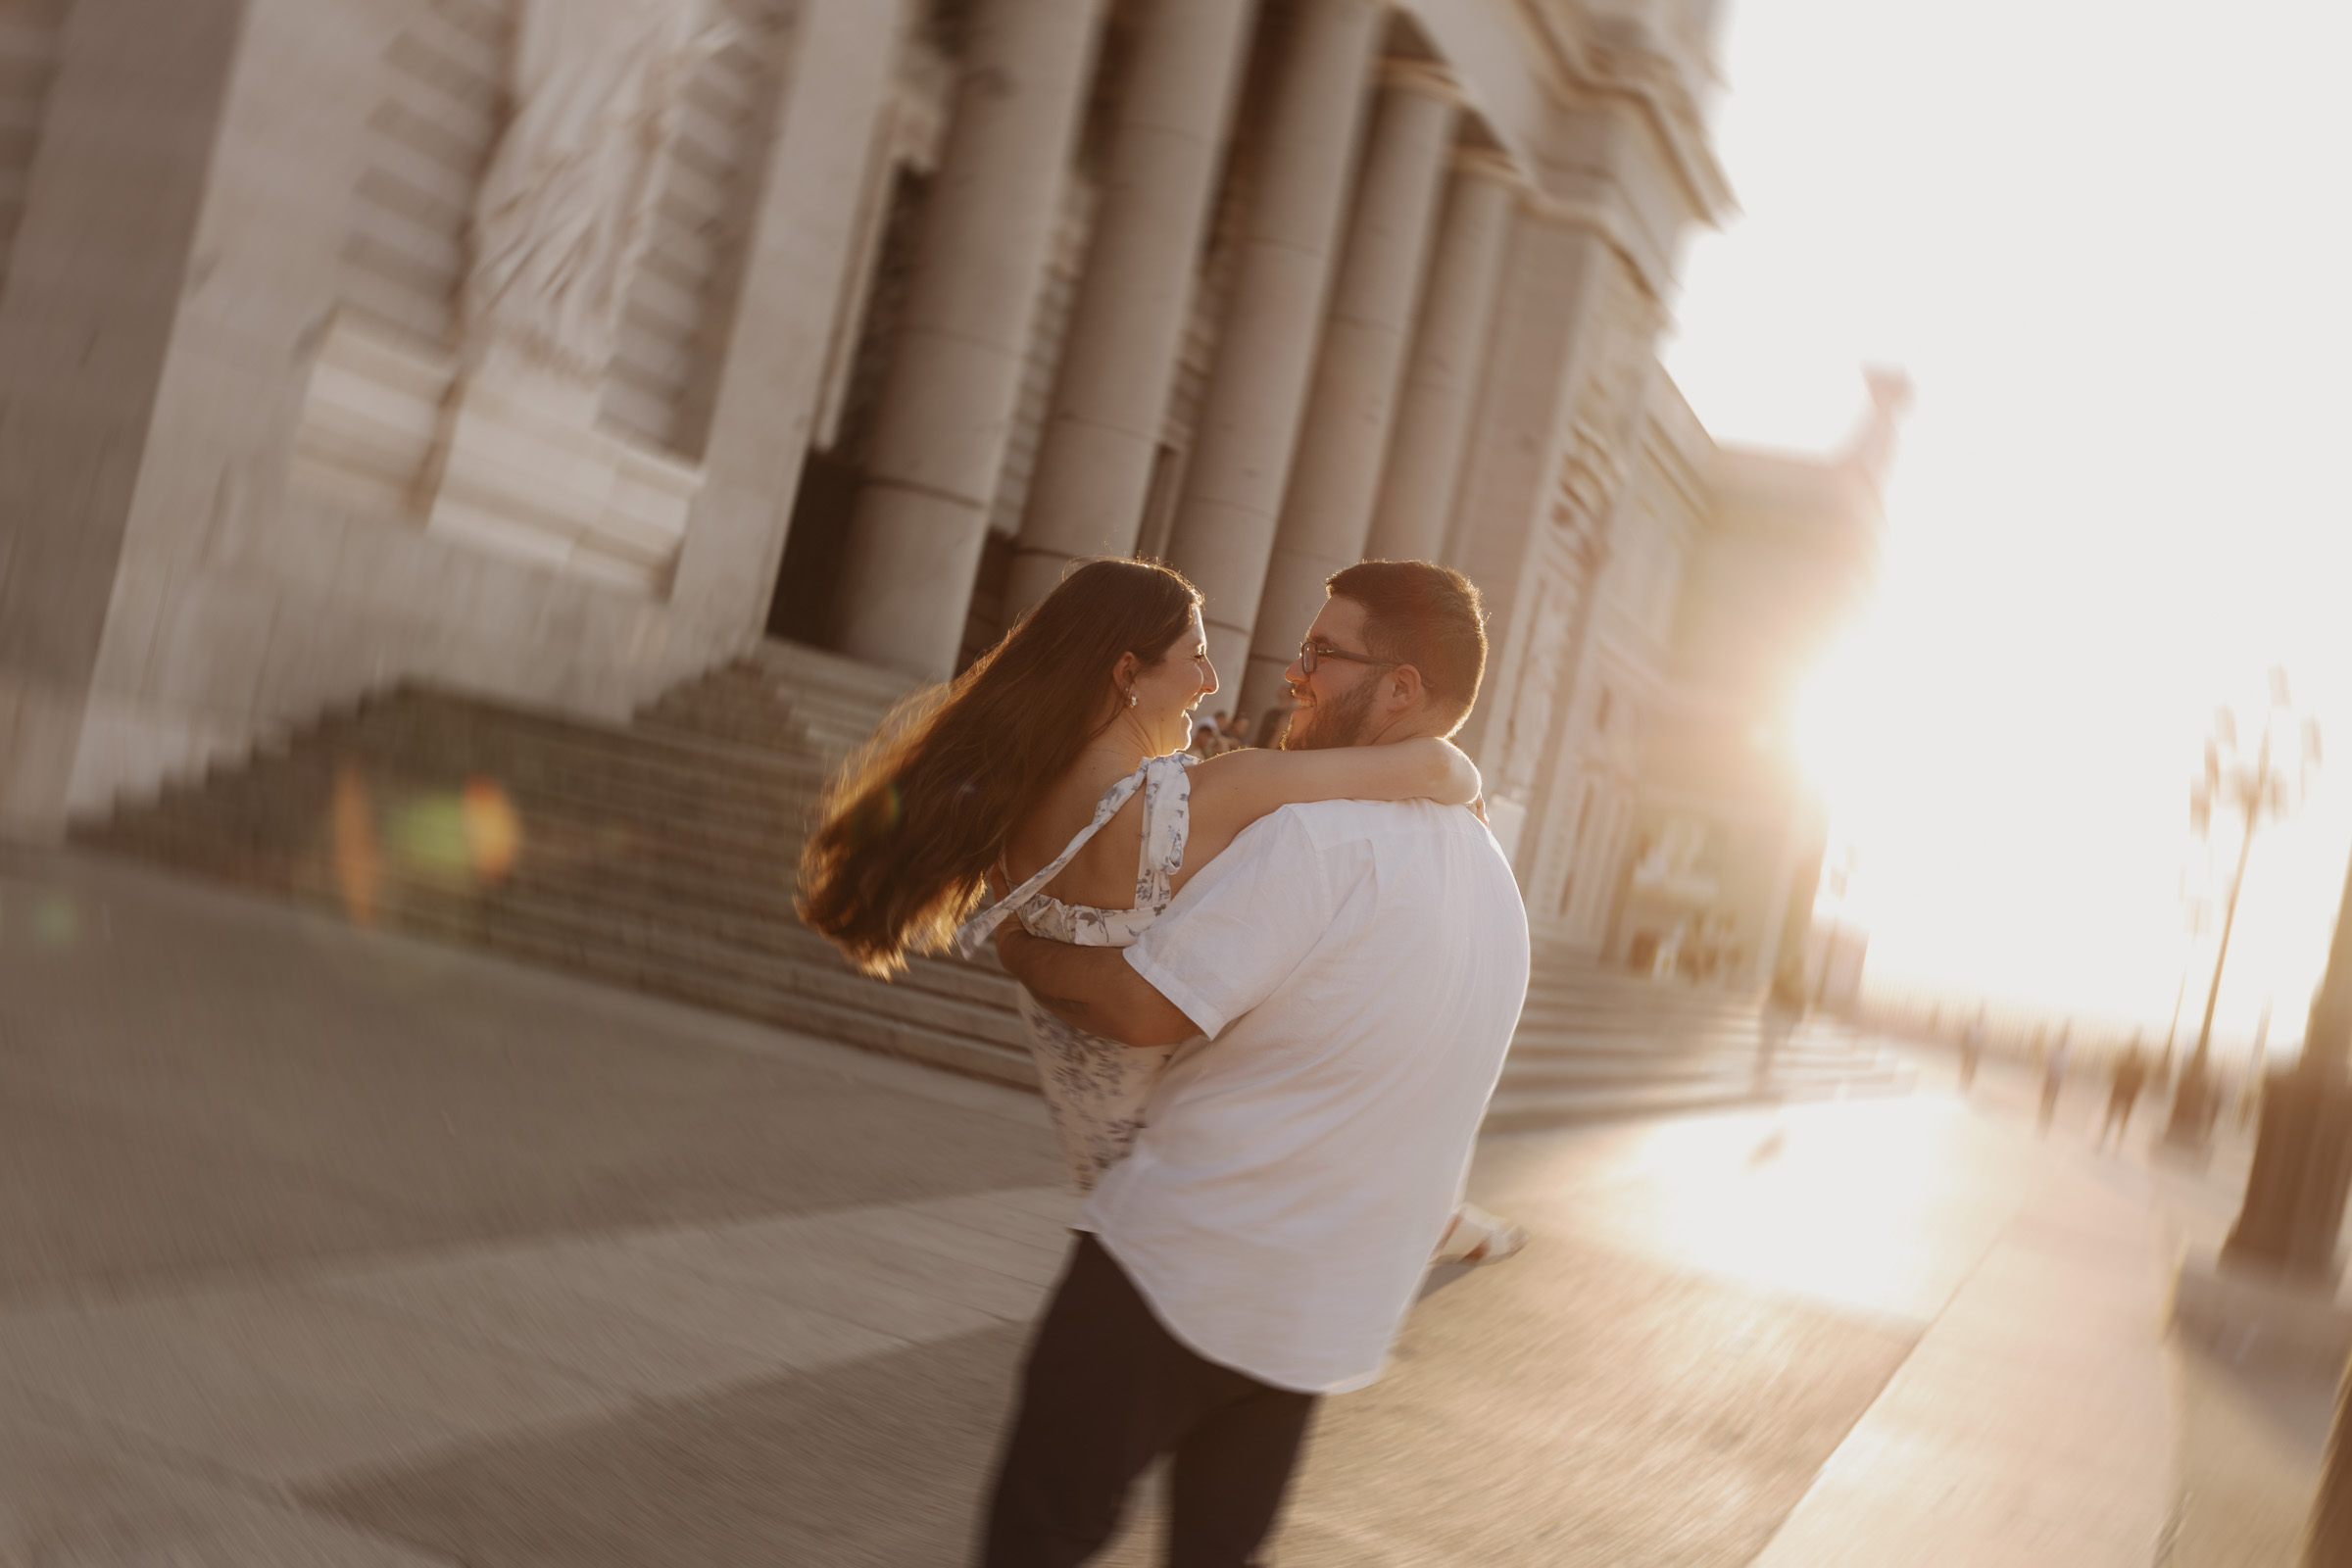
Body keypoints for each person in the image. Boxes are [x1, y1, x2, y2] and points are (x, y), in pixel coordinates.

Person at [975, 561, 1531, 1566]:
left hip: (1179, 1266)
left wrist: (1016, 940)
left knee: (1036, 1536)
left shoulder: (1314, 839)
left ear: (1400, 688)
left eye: (1322, 653)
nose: (1293, 674)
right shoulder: (1496, 884)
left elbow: (1139, 1007)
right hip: (1317, 1317)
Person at [799, 558, 1521, 1253]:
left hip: (1113, 1182)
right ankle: (1430, 1212)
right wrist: (1464, 779)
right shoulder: (1197, 801)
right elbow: (1433, 765)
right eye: (1196, 656)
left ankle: (1432, 1212)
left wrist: (1021, 950)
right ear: (1126, 673)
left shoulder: (1009, 820)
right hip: (1207, 1196)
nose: (1211, 681)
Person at [2099, 1037, 2149, 1147]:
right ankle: (2114, 1141)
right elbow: (2140, 1083)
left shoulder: (2126, 1062)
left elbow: (2114, 1074)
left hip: (2122, 1094)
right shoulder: (2135, 1065)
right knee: (2118, 1119)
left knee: (2113, 1118)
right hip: (2124, 1094)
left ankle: (2108, 1140)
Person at [2039, 1021, 2072, 1131]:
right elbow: (2047, 1059)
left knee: (2052, 1100)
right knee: (2045, 1097)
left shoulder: (2069, 1047)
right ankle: (2042, 1115)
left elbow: (2068, 1066)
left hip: (2058, 1079)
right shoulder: (2055, 1044)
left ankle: (2047, 1117)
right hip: (2051, 1076)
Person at [1958, 1004, 1986, 1091]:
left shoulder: (1983, 1027)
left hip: (1975, 1051)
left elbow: (1983, 1041)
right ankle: (1961, 1082)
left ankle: (1967, 1084)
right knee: (1964, 1066)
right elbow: (1965, 1035)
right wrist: (1963, 1046)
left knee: (1971, 1069)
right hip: (1968, 1048)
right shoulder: (1972, 1024)